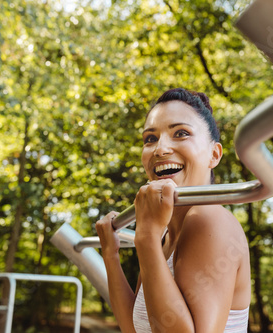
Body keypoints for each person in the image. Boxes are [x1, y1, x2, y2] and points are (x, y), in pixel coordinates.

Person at [95, 88, 251, 332]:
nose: (160, 149)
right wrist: (110, 255)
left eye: (181, 133)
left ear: (214, 154)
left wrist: (146, 238)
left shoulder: (209, 219)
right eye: (150, 138)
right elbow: (134, 327)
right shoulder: (164, 237)